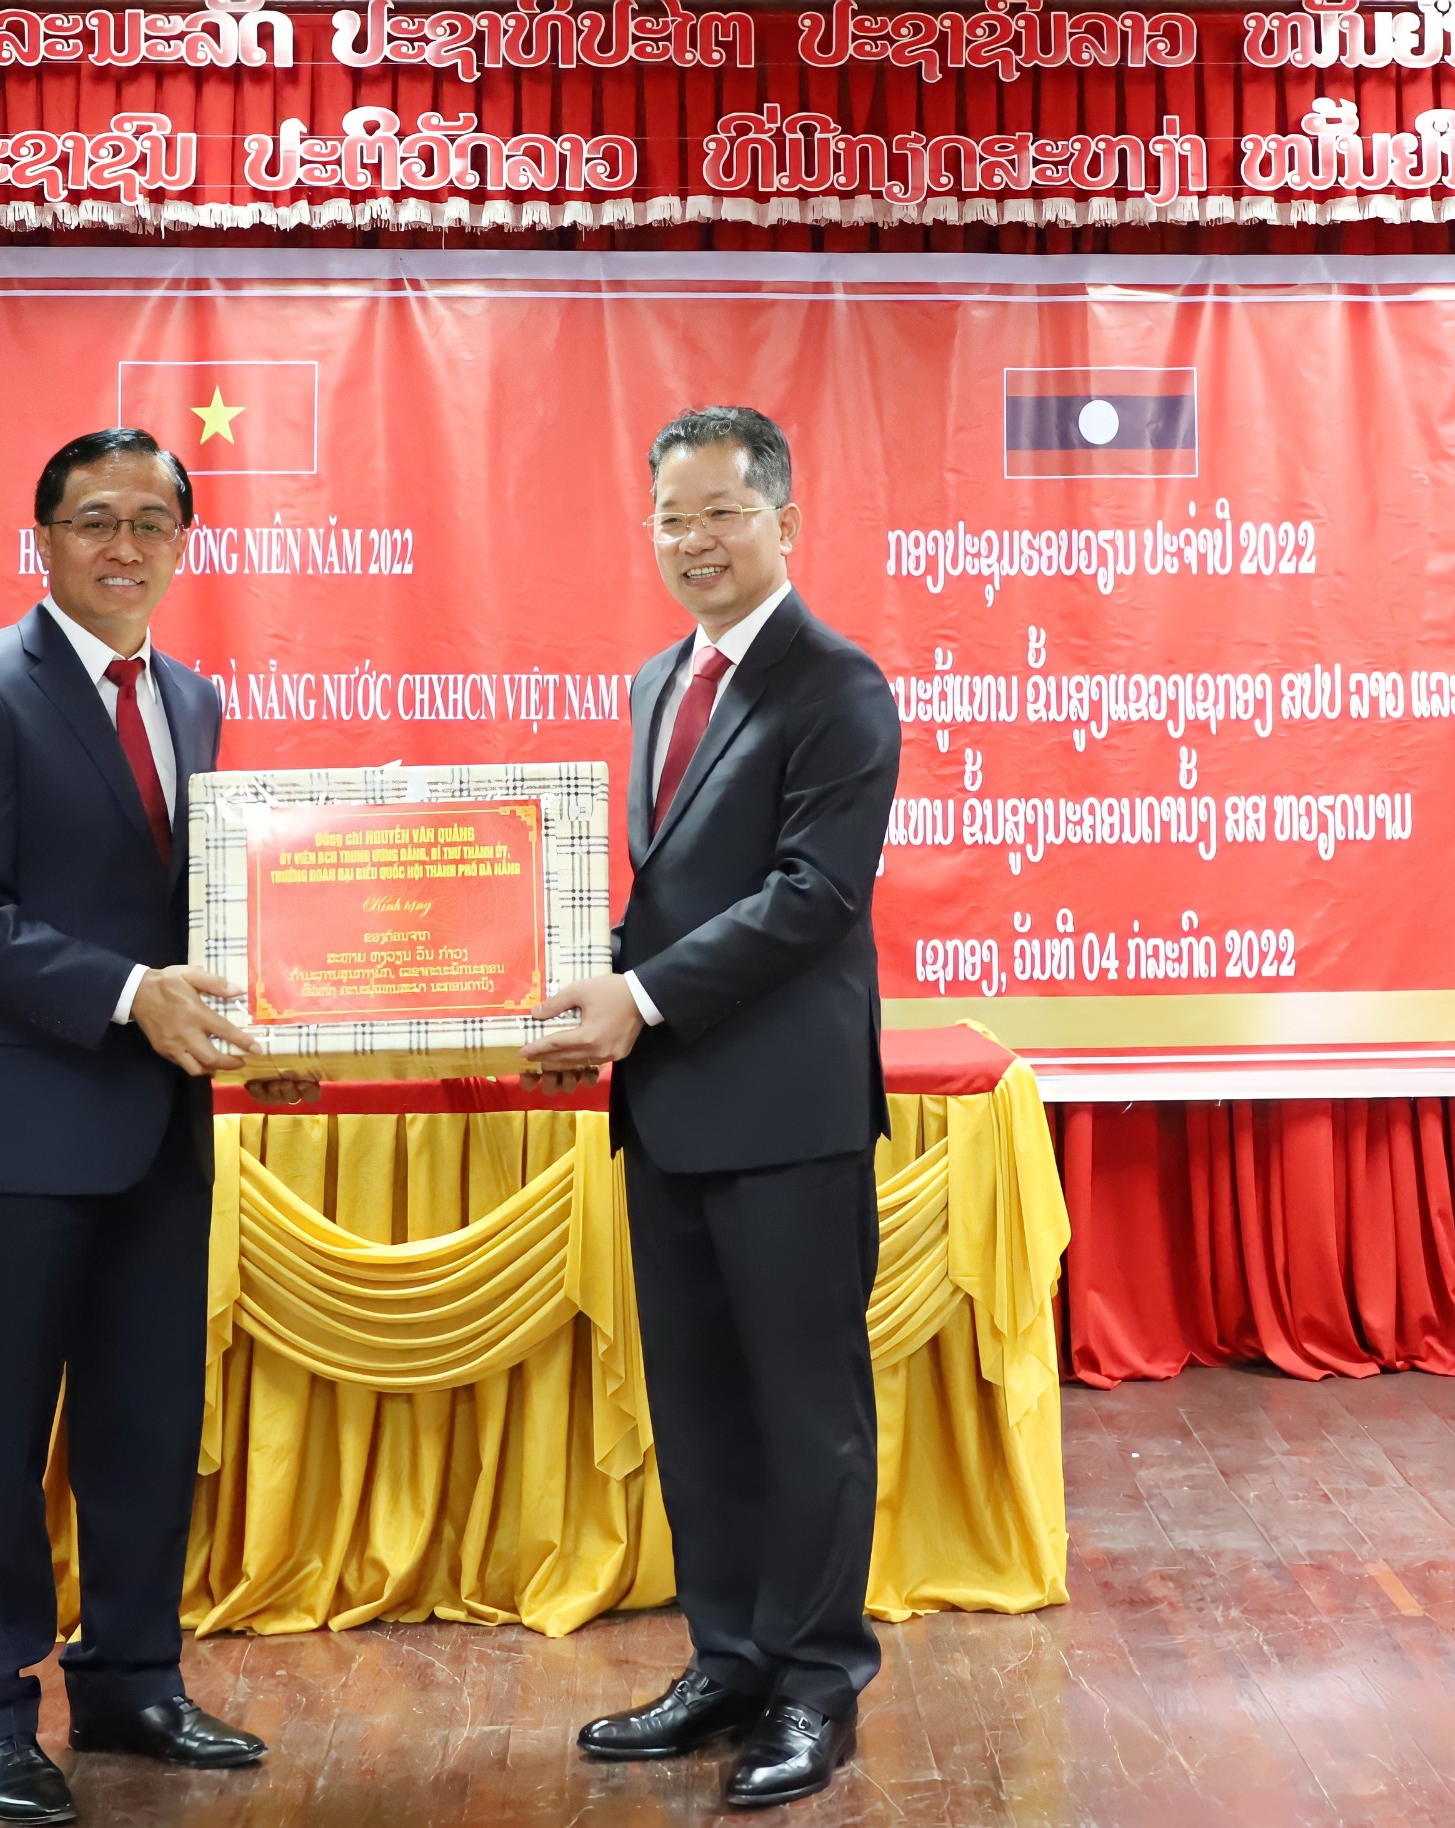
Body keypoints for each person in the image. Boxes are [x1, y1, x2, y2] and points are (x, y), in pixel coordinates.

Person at [0, 428, 311, 1825]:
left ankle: (133, 1679)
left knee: (146, 1421)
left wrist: (287, 1028)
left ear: (185, 544)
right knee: (3, 1433)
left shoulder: (191, 697)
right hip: (19, 1128)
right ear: (44, 540)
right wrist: (133, 994)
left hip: (158, 1128)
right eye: (92, 521)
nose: (122, 546)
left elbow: (204, 918)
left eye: (150, 521)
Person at [523, 406, 902, 1810]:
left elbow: (812, 898)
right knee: (697, 1407)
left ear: (786, 523)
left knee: (807, 1413)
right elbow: (666, 893)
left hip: (788, 1114)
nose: (693, 542)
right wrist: (573, 994)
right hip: (669, 1108)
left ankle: (815, 1690)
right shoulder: (652, 684)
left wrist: (641, 1001)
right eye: (672, 518)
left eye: (722, 514)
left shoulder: (838, 685)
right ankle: (728, 1658)